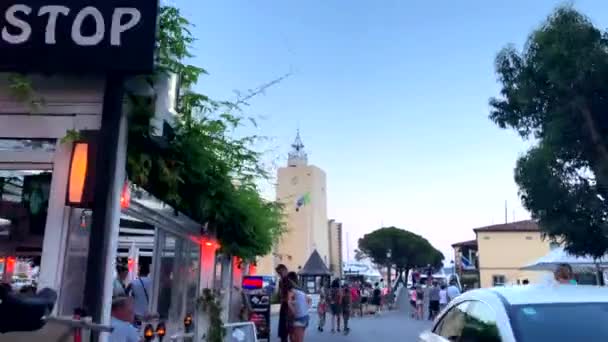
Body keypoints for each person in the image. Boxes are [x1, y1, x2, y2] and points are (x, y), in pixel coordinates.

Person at [275, 264, 290, 342]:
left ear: (285, 270)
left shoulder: (288, 280)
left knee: (287, 328)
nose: (279, 275)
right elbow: (281, 294)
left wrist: (284, 299)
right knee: (283, 329)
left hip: (288, 306)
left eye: (280, 273)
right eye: (278, 273)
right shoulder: (281, 281)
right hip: (285, 306)